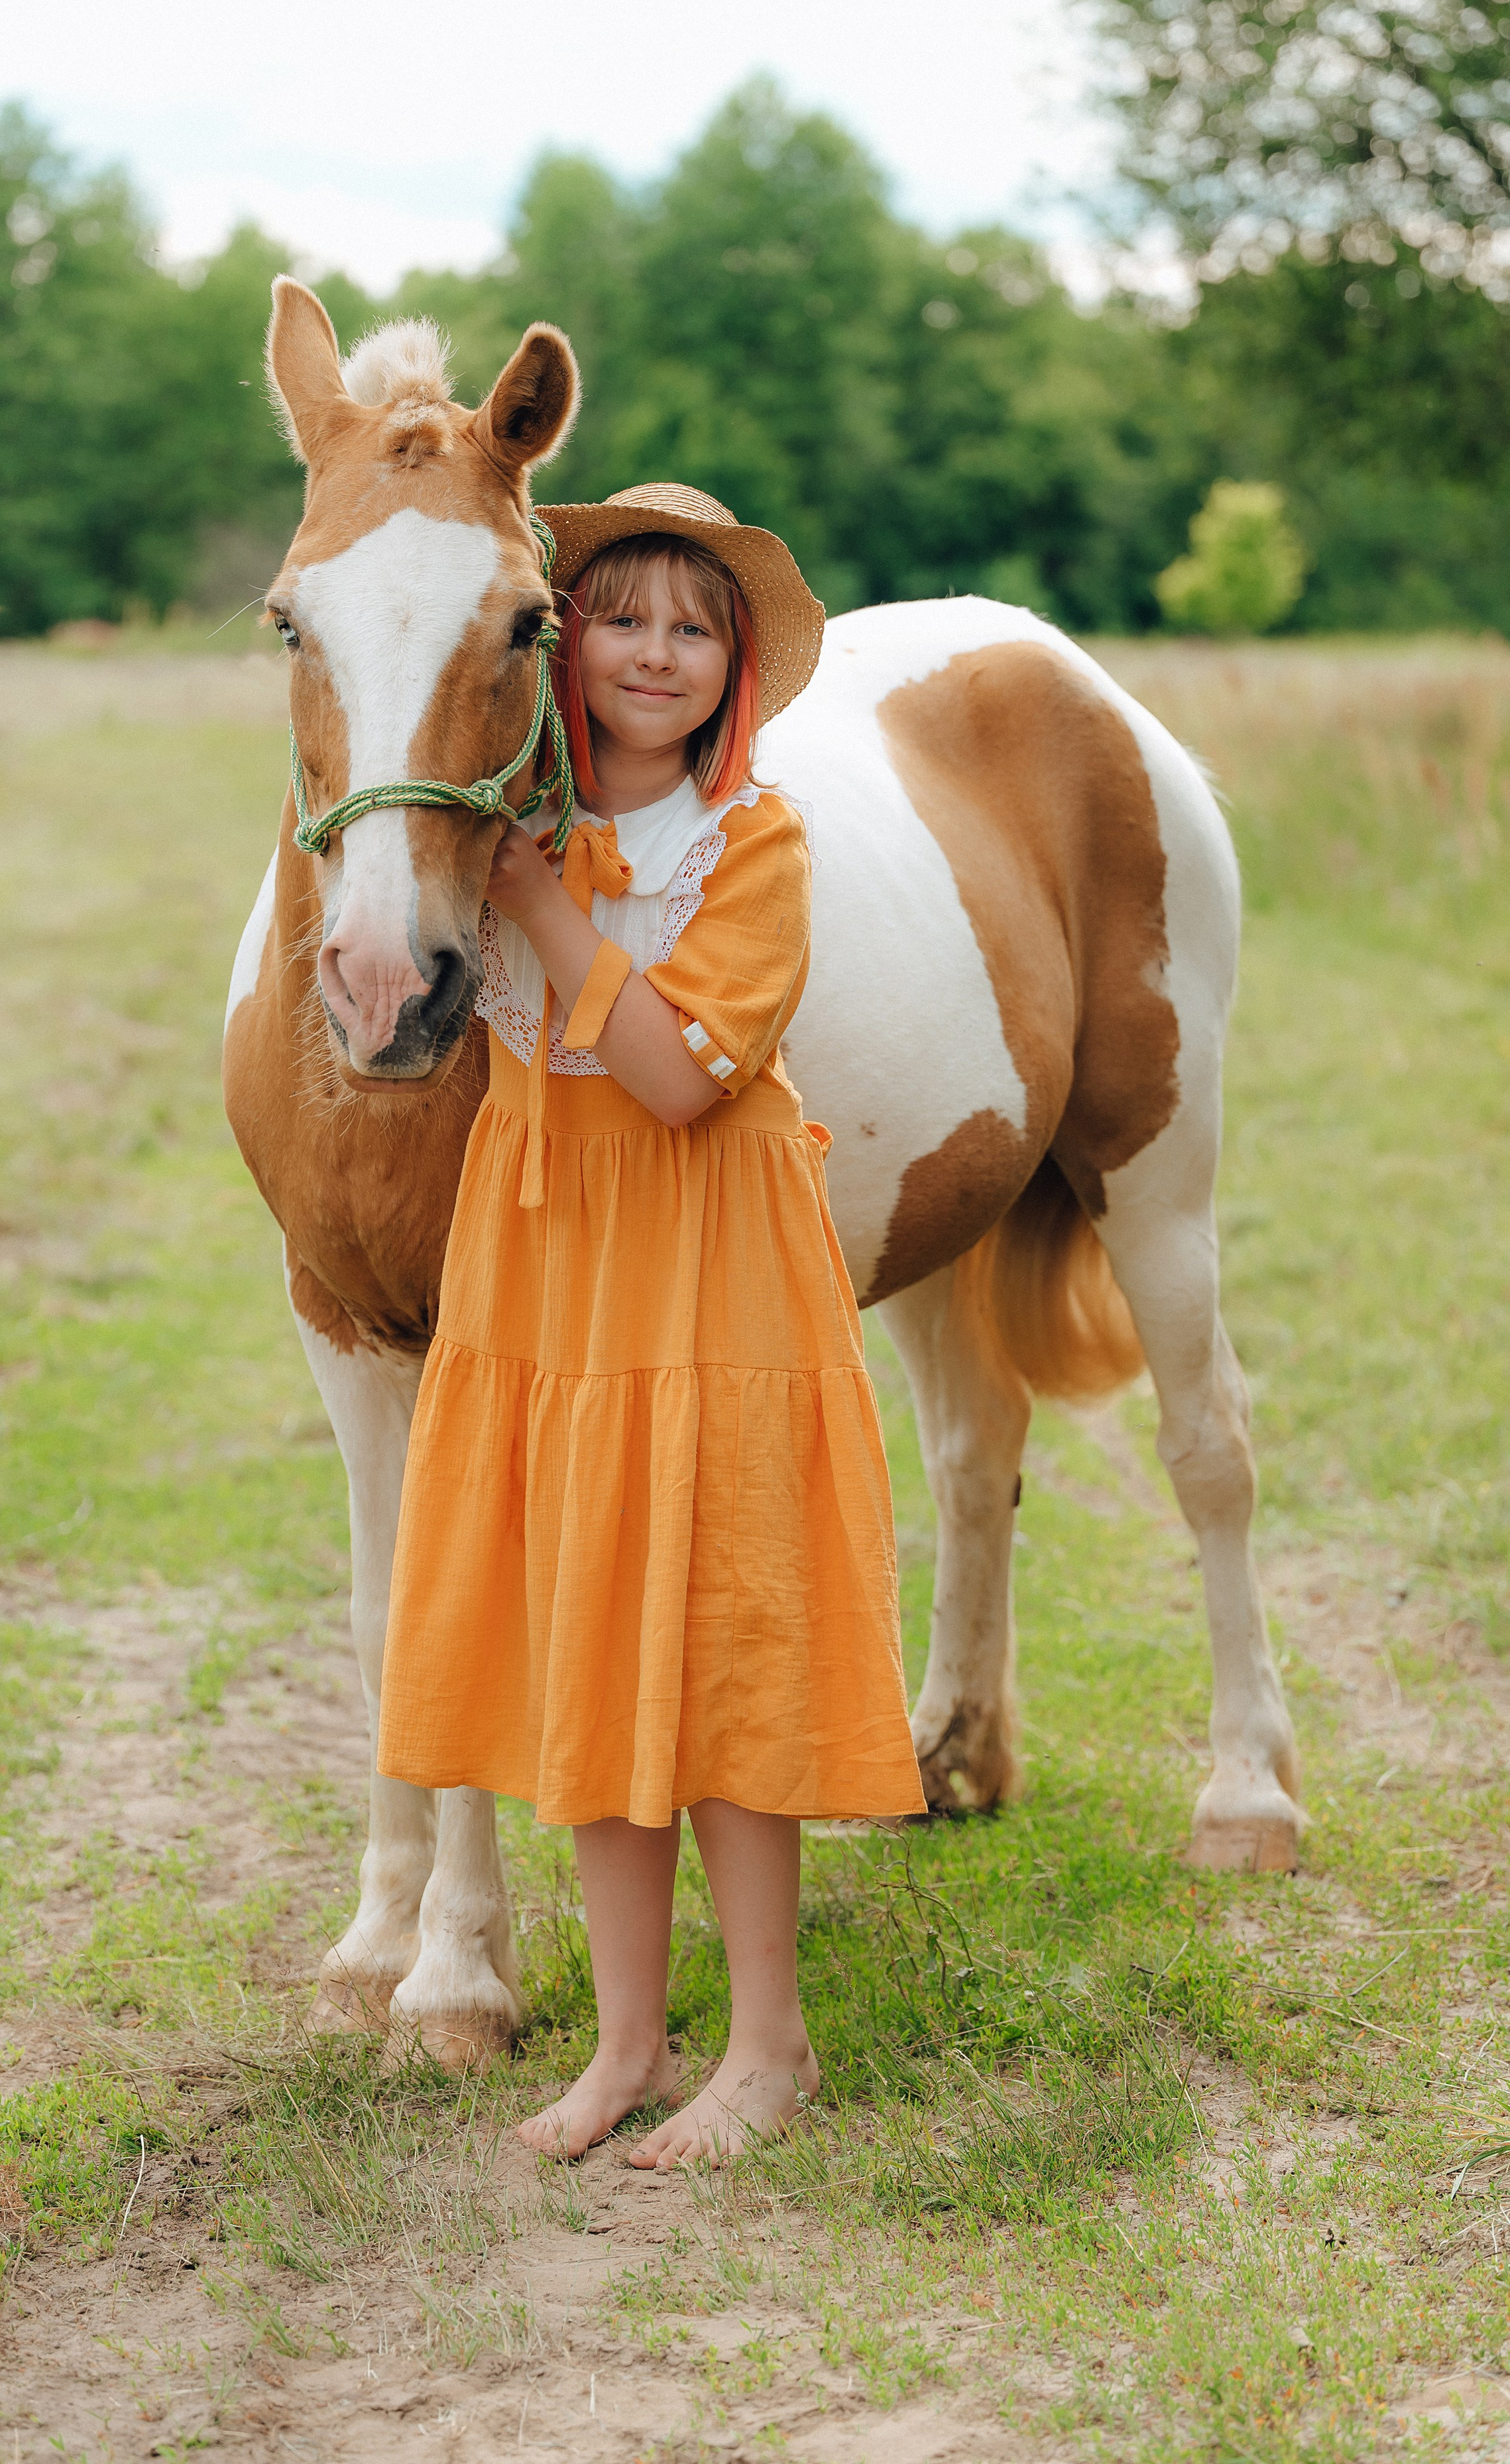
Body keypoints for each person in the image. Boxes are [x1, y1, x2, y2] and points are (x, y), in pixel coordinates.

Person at [378, 482, 925, 2166]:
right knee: (591, 1640)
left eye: (695, 627)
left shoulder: (747, 841)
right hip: (552, 1267)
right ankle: (625, 2044)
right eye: (620, 616)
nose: (655, 652)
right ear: (564, 643)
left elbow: (682, 1083)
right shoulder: (501, 827)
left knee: (721, 1642)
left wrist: (547, 912)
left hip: (710, 1261)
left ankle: (766, 2045)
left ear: (731, 667)